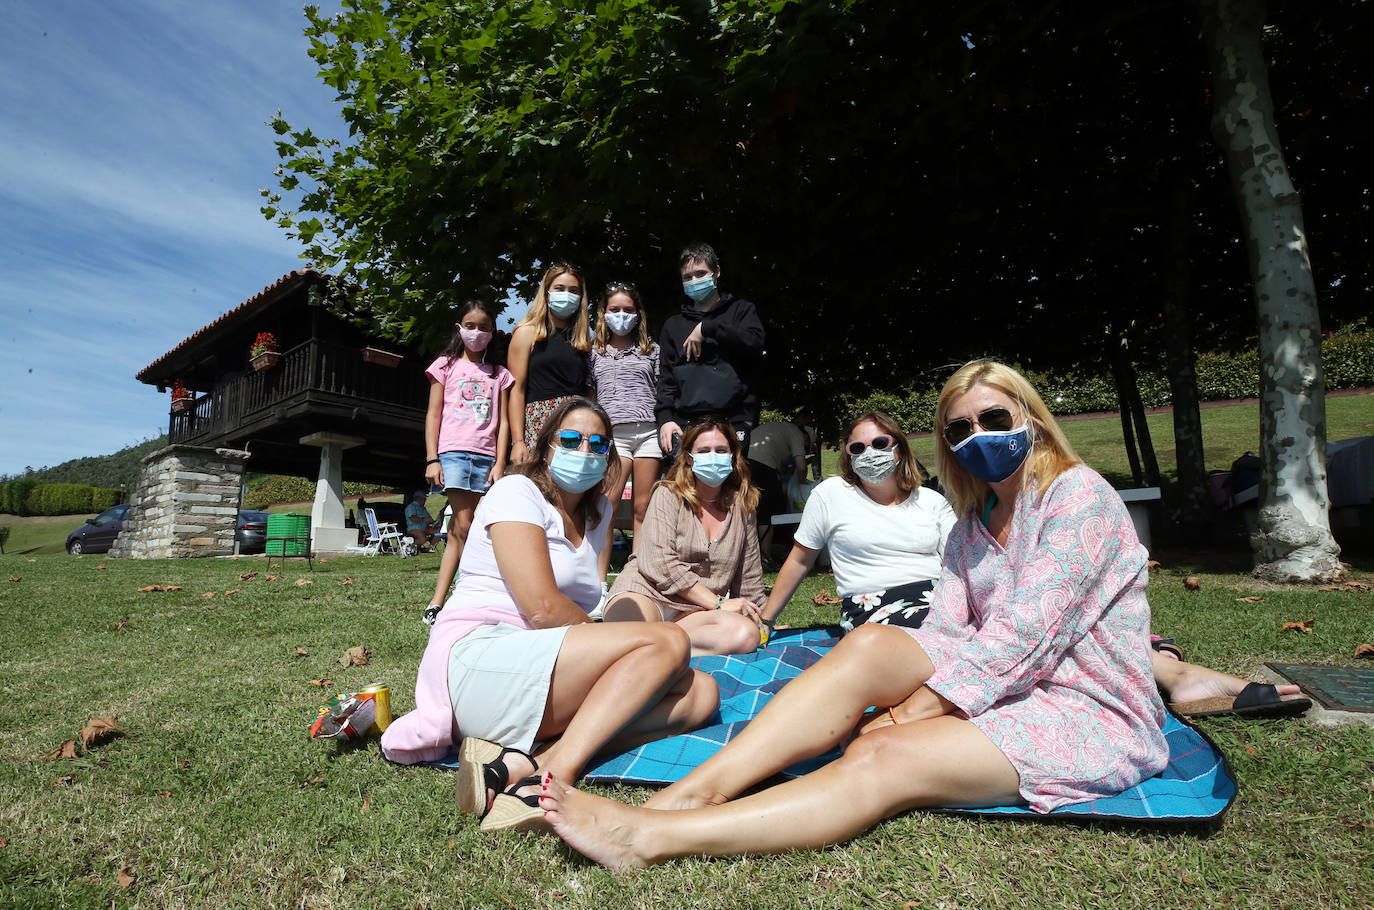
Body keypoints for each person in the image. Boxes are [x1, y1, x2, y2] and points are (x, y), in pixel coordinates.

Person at [535, 359, 1178, 865]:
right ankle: (688, 794)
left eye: (993, 417)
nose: (977, 436)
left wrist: (905, 712)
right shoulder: (966, 528)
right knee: (872, 644)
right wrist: (892, 693)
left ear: (1030, 419)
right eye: (960, 429)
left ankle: (648, 837)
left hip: (1084, 707)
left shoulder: (1078, 498)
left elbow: (1023, 638)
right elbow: (948, 633)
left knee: (883, 755)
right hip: (999, 686)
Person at [380, 398, 719, 833]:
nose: (585, 451)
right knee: (668, 643)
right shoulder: (515, 492)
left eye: (599, 444)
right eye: (572, 440)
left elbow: (591, 603)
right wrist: (622, 652)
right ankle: (554, 777)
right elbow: (540, 608)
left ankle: (520, 764)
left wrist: (623, 649)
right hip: (484, 658)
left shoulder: (596, 516)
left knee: (701, 695)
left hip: (544, 664)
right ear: (547, 447)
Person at [759, 411, 957, 643]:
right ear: (848, 455)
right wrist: (766, 621)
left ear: (899, 450)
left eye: (880, 443)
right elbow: (800, 560)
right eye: (858, 448)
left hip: (938, 600)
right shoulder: (831, 495)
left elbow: (957, 562)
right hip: (871, 608)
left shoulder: (931, 501)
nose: (870, 453)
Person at [601, 417, 765, 656]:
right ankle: (657, 646)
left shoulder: (742, 505)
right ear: (689, 456)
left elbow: (749, 573)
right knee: (630, 635)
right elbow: (659, 563)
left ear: (733, 455)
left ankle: (658, 646)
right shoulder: (667, 494)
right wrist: (717, 604)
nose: (713, 456)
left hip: (695, 612)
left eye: (721, 450)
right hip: (646, 593)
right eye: (704, 450)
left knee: (746, 635)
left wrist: (759, 617)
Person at [421, 300, 514, 623]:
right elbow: (433, 414)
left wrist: (501, 462)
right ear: (459, 327)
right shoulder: (444, 366)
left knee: (468, 528)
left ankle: (447, 598)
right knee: (464, 524)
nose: (476, 332)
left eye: (483, 327)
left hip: (487, 457)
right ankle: (450, 597)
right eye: (470, 325)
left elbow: (502, 423)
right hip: (454, 454)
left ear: (492, 332)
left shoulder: (499, 375)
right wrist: (433, 458)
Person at [655, 243, 765, 459]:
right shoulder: (673, 325)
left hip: (734, 421)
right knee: (683, 490)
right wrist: (665, 419)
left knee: (733, 489)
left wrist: (708, 328)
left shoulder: (741, 311)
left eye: (701, 273)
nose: (695, 281)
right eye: (688, 277)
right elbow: (666, 380)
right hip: (685, 423)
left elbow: (754, 343)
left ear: (716, 272)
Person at [586, 280, 661, 566]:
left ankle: (638, 570)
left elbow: (660, 390)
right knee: (609, 504)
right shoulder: (594, 353)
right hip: (613, 435)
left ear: (638, 314)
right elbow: (591, 398)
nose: (621, 315)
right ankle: (599, 575)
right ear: (604, 312)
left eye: (627, 309)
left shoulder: (651, 350)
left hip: (648, 433)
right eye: (614, 309)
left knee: (643, 506)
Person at [508, 263, 591, 464]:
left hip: (576, 425)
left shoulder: (583, 340)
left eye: (573, 290)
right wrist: (518, 440)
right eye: (559, 288)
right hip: (539, 422)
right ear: (546, 292)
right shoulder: (527, 333)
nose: (566, 294)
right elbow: (516, 390)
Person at [745, 416, 816, 565]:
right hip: (761, 467)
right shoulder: (796, 433)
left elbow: (783, 467)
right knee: (767, 512)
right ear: (806, 436)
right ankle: (765, 558)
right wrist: (803, 483)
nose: (805, 447)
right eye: (807, 444)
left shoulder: (779, 429)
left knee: (749, 509)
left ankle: (749, 555)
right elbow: (801, 467)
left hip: (743, 461)